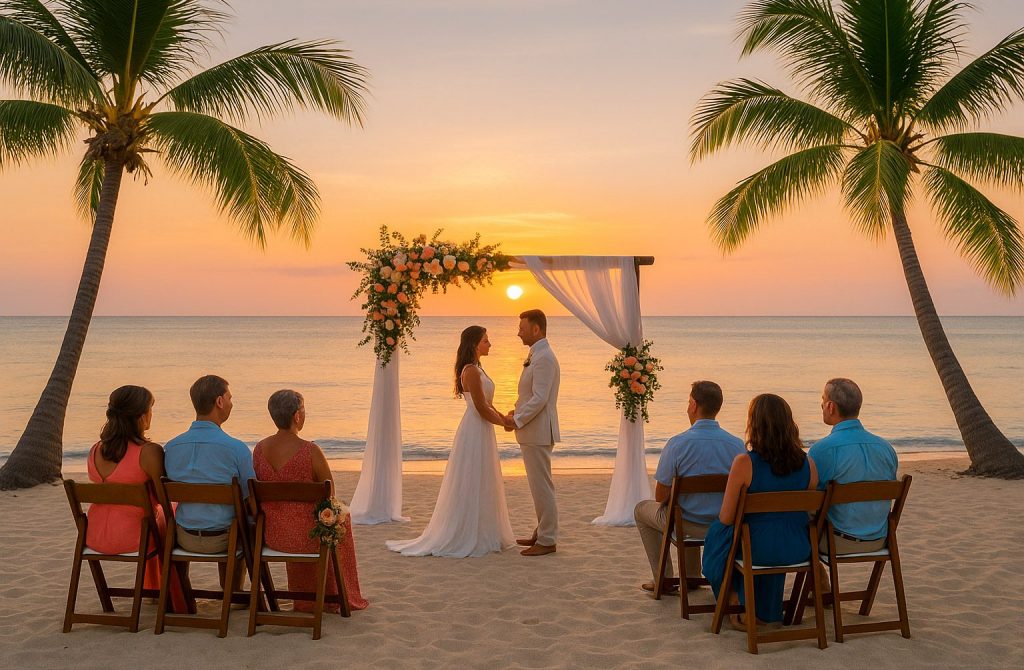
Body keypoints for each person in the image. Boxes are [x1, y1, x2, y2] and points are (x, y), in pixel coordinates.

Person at [386, 326, 516, 557]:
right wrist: (503, 423)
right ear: (476, 344)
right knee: (472, 478)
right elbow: (480, 407)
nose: (490, 344)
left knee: (484, 479)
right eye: (486, 340)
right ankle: (467, 532)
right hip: (475, 429)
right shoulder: (471, 372)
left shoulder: (478, 369)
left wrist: (504, 418)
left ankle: (485, 530)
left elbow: (488, 403)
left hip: (483, 429)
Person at [701, 394, 819, 626]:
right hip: (798, 548)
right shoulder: (809, 464)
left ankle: (736, 601)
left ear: (754, 424)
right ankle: (766, 610)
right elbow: (808, 509)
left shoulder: (745, 463)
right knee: (773, 528)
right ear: (789, 423)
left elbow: (726, 517)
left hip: (757, 550)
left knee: (718, 533)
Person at [252, 390, 368, 611]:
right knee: (341, 519)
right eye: (303, 409)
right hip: (308, 538)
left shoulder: (259, 450)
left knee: (303, 519)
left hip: (274, 536)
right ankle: (337, 595)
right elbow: (329, 493)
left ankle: (305, 598)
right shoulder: (310, 450)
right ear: (297, 416)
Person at [634, 381, 745, 594]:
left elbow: (661, 496)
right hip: (724, 524)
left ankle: (664, 579)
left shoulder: (677, 444)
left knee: (642, 510)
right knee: (684, 508)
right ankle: (692, 576)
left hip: (687, 524)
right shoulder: (736, 445)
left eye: (688, 403)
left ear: (693, 405)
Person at [85, 385, 185, 612]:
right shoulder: (149, 452)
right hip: (134, 539)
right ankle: (167, 593)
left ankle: (154, 591)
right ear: (141, 415)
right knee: (169, 514)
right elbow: (162, 498)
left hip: (95, 537)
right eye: (151, 409)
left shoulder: (94, 450)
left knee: (153, 515)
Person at [164, 375, 255, 592]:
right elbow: (250, 496)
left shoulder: (171, 448)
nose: (232, 403)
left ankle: (185, 593)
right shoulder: (236, 448)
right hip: (224, 539)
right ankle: (232, 591)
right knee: (247, 521)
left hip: (183, 538)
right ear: (219, 402)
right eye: (230, 398)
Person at [809, 378, 898, 553]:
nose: (821, 405)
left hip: (837, 541)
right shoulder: (886, 448)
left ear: (831, 407)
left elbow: (812, 498)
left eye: (823, 399)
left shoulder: (823, 450)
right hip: (880, 540)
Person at [505, 309, 561, 557]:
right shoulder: (536, 355)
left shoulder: (545, 358)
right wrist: (515, 410)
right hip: (533, 431)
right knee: (539, 485)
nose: (518, 332)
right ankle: (541, 531)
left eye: (522, 328)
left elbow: (540, 398)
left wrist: (517, 420)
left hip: (537, 432)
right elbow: (530, 395)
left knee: (542, 487)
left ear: (536, 329)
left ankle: (548, 539)